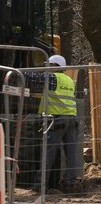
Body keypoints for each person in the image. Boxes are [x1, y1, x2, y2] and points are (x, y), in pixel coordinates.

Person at [31, 55, 80, 191]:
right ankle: (70, 185)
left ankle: (39, 186)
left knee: (49, 153)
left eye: (49, 64)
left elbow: (31, 77)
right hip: (72, 119)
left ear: (56, 66)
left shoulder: (53, 77)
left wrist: (16, 71)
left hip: (57, 119)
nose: (46, 67)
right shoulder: (69, 80)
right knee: (71, 154)